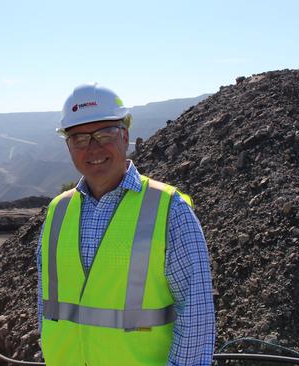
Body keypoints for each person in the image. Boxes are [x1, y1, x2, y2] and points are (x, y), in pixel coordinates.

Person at [36, 83, 215, 365]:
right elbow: (47, 308)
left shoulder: (169, 209)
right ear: (68, 145)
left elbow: (196, 315)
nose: (93, 148)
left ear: (125, 136)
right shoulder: (58, 211)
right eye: (79, 138)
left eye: (104, 133)